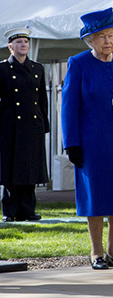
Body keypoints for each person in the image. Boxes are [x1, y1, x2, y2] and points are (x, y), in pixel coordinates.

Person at [61, 8, 113, 270]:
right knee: (96, 197)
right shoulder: (78, 63)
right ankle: (96, 252)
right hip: (93, 142)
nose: (108, 41)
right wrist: (71, 143)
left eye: (111, 35)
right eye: (101, 37)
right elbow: (68, 106)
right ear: (89, 40)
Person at [0, 28, 49, 222]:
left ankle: (28, 209)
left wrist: (44, 123)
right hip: (10, 125)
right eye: (19, 42)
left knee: (29, 167)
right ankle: (10, 210)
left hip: (31, 124)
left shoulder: (37, 68)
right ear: (10, 46)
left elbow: (42, 98)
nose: (23, 45)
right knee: (11, 168)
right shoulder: (2, 69)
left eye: (26, 42)